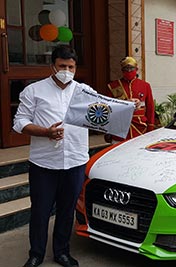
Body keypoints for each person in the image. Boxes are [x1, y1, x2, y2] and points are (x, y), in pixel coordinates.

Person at [13, 45, 92, 267]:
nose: (66, 70)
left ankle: (61, 252)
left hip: (75, 160)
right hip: (44, 163)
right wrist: (45, 132)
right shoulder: (34, 91)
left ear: (76, 68)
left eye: (71, 67)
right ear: (52, 66)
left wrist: (129, 107)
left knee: (67, 211)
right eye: (62, 66)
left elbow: (104, 113)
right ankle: (36, 254)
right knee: (40, 210)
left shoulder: (84, 91)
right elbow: (19, 122)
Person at [104, 56, 155, 143]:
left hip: (140, 128)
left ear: (136, 69)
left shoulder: (145, 85)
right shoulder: (113, 86)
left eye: (131, 68)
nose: (128, 71)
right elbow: (108, 108)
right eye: (126, 69)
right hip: (119, 128)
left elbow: (150, 108)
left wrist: (150, 127)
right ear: (122, 70)